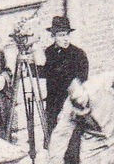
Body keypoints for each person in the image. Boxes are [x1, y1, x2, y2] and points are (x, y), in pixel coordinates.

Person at [36, 15, 88, 148]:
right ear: (53, 36)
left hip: (70, 105)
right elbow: (49, 73)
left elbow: (81, 80)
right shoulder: (49, 52)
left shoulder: (78, 54)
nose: (65, 39)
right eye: (61, 35)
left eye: (67, 35)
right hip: (53, 105)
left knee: (71, 144)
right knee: (53, 142)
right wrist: (32, 68)